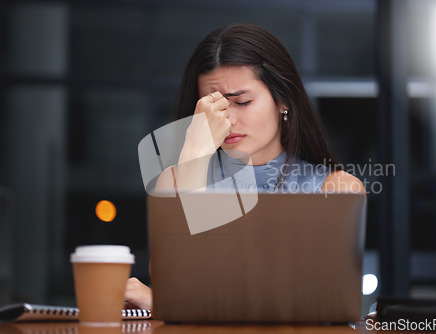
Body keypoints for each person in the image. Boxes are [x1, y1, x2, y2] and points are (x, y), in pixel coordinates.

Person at [126, 23, 364, 310]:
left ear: (283, 101)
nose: (228, 121)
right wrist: (194, 156)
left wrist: (163, 302)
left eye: (242, 102)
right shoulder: (176, 180)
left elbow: (322, 305)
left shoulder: (336, 189)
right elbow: (173, 282)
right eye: (213, 108)